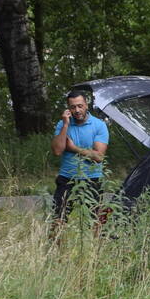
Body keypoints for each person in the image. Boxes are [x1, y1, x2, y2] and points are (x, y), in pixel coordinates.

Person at [50, 90, 109, 231]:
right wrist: (65, 125)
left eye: (80, 106)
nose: (77, 110)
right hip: (67, 178)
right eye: (73, 107)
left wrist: (74, 148)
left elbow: (98, 157)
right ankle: (56, 251)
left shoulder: (99, 125)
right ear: (68, 108)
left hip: (92, 178)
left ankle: (96, 252)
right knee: (58, 219)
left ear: (86, 105)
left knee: (96, 222)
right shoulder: (62, 124)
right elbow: (57, 151)